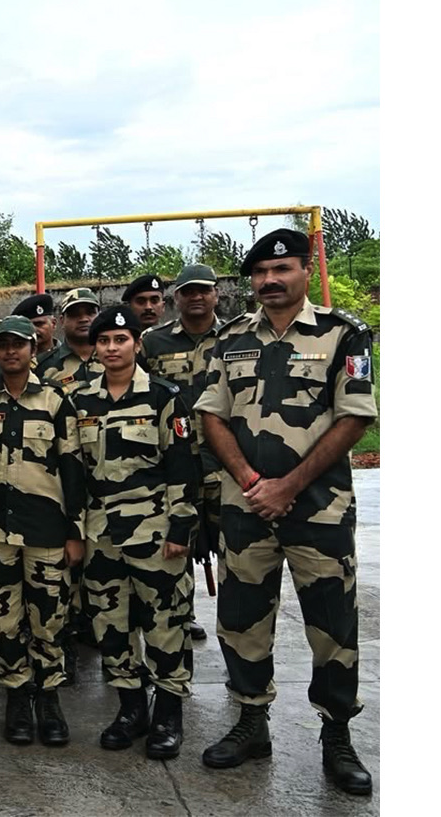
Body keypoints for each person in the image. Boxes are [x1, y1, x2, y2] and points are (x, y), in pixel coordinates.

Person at [195, 229, 377, 796]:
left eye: (283, 271)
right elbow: (212, 416)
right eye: (260, 274)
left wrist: (289, 484)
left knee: (332, 622)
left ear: (305, 270)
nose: (270, 281)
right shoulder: (230, 339)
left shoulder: (343, 334)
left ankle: (337, 733)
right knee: (242, 618)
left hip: (319, 510)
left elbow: (354, 416)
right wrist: (252, 483)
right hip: (246, 510)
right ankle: (251, 721)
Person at [72, 305, 198, 760]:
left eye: (120, 340)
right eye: (103, 341)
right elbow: (74, 471)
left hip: (155, 531)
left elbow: (184, 465)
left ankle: (167, 713)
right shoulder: (81, 400)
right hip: (102, 533)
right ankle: (130, 709)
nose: (111, 348)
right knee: (110, 624)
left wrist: (182, 526)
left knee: (166, 622)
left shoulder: (165, 398)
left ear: (137, 345)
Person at [0, 315, 86, 747]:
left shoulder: (55, 400)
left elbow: (72, 467)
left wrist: (75, 531)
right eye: (3, 345)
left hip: (47, 530)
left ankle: (48, 697)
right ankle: (16, 694)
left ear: (33, 349)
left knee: (49, 617)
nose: (10, 352)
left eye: (19, 345)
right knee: (2, 618)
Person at [140, 265, 224, 642]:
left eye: (203, 290)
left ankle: (237, 624)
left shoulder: (236, 338)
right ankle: (182, 611)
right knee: (178, 542)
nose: (196, 297)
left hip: (224, 463)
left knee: (234, 548)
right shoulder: (153, 342)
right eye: (188, 291)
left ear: (216, 294)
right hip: (174, 464)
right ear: (176, 298)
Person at [34, 287, 104, 682]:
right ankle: (68, 642)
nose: (83, 318)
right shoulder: (45, 367)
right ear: (63, 320)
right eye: (75, 313)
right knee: (66, 567)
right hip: (62, 478)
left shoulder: (115, 355)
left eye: (89, 311)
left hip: (108, 478)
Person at [11, 293, 57, 357]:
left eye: (39, 324)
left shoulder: (69, 356)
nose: (33, 329)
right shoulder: (12, 361)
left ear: (53, 323)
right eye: (26, 325)